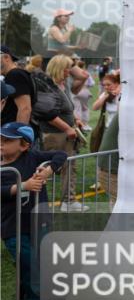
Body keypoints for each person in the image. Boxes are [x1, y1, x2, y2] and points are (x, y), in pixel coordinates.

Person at [1, 122, 67, 300]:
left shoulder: (32, 157)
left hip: (40, 223)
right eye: (0, 139)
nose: (1, 144)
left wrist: (49, 169)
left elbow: (61, 154)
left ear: (24, 145)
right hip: (13, 228)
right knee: (29, 267)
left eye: (7, 141)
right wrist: (23, 186)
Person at [43, 55, 86, 211]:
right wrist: (67, 128)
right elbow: (48, 114)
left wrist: (75, 120)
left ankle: (68, 201)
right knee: (53, 168)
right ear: (59, 68)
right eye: (67, 67)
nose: (70, 71)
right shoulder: (47, 85)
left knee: (70, 167)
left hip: (67, 133)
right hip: (55, 134)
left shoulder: (64, 83)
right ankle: (64, 202)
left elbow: (67, 106)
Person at [1, 45, 34, 126]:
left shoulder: (15, 75)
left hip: (13, 134)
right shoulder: (14, 74)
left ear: (6, 57)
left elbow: (25, 108)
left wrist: (19, 135)